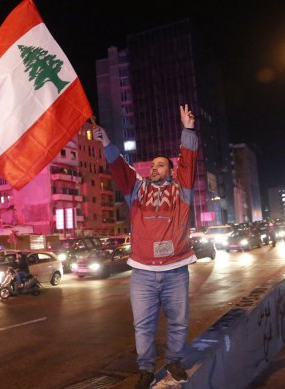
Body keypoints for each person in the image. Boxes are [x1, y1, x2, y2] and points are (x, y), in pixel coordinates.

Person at [94, 104, 196, 388]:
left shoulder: (181, 191)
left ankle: (174, 361)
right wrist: (106, 142)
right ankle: (146, 369)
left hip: (176, 270)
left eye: (160, 164)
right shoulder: (137, 190)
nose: (153, 168)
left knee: (179, 322)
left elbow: (189, 162)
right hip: (142, 272)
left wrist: (187, 130)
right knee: (143, 326)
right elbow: (119, 168)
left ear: (172, 171)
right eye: (151, 165)